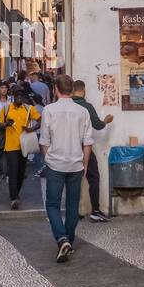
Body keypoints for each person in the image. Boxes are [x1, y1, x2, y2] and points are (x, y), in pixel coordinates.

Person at [40, 74, 94, 263]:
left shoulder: (49, 110)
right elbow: (88, 142)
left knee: (53, 204)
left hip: (55, 163)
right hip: (76, 164)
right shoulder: (83, 112)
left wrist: (48, 158)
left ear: (56, 89)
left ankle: (62, 238)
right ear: (71, 90)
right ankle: (68, 239)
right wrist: (85, 164)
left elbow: (44, 141)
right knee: (72, 204)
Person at [72, 80, 113, 222]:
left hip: (68, 148)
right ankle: (95, 210)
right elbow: (98, 125)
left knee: (72, 180)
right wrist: (106, 120)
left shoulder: (67, 105)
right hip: (84, 147)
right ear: (83, 90)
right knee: (94, 177)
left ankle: (73, 212)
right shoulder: (86, 106)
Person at [0, 87, 40, 210]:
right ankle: (14, 198)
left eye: (21, 96)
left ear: (24, 97)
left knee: (21, 173)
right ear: (13, 97)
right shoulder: (6, 109)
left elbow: (41, 120)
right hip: (10, 146)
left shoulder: (29, 109)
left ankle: (16, 193)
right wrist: (6, 124)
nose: (19, 98)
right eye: (17, 96)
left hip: (24, 145)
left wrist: (31, 129)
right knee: (13, 171)